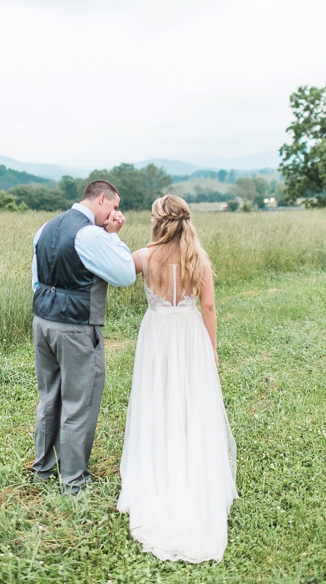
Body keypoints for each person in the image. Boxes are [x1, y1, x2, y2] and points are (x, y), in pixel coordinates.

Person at [117, 195, 238, 562]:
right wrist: (212, 349)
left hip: (157, 337)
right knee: (189, 402)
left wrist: (111, 232)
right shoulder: (197, 258)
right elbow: (209, 307)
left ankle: (159, 467)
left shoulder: (143, 256)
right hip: (189, 337)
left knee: (158, 398)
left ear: (157, 221)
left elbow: (116, 270)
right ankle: (189, 463)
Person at [31, 180, 136, 494]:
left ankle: (43, 469)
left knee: (49, 397)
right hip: (76, 327)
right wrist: (113, 236)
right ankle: (74, 481)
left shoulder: (45, 227)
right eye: (114, 207)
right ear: (102, 199)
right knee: (80, 401)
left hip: (42, 321)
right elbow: (125, 274)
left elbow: (37, 279)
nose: (114, 214)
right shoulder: (90, 234)